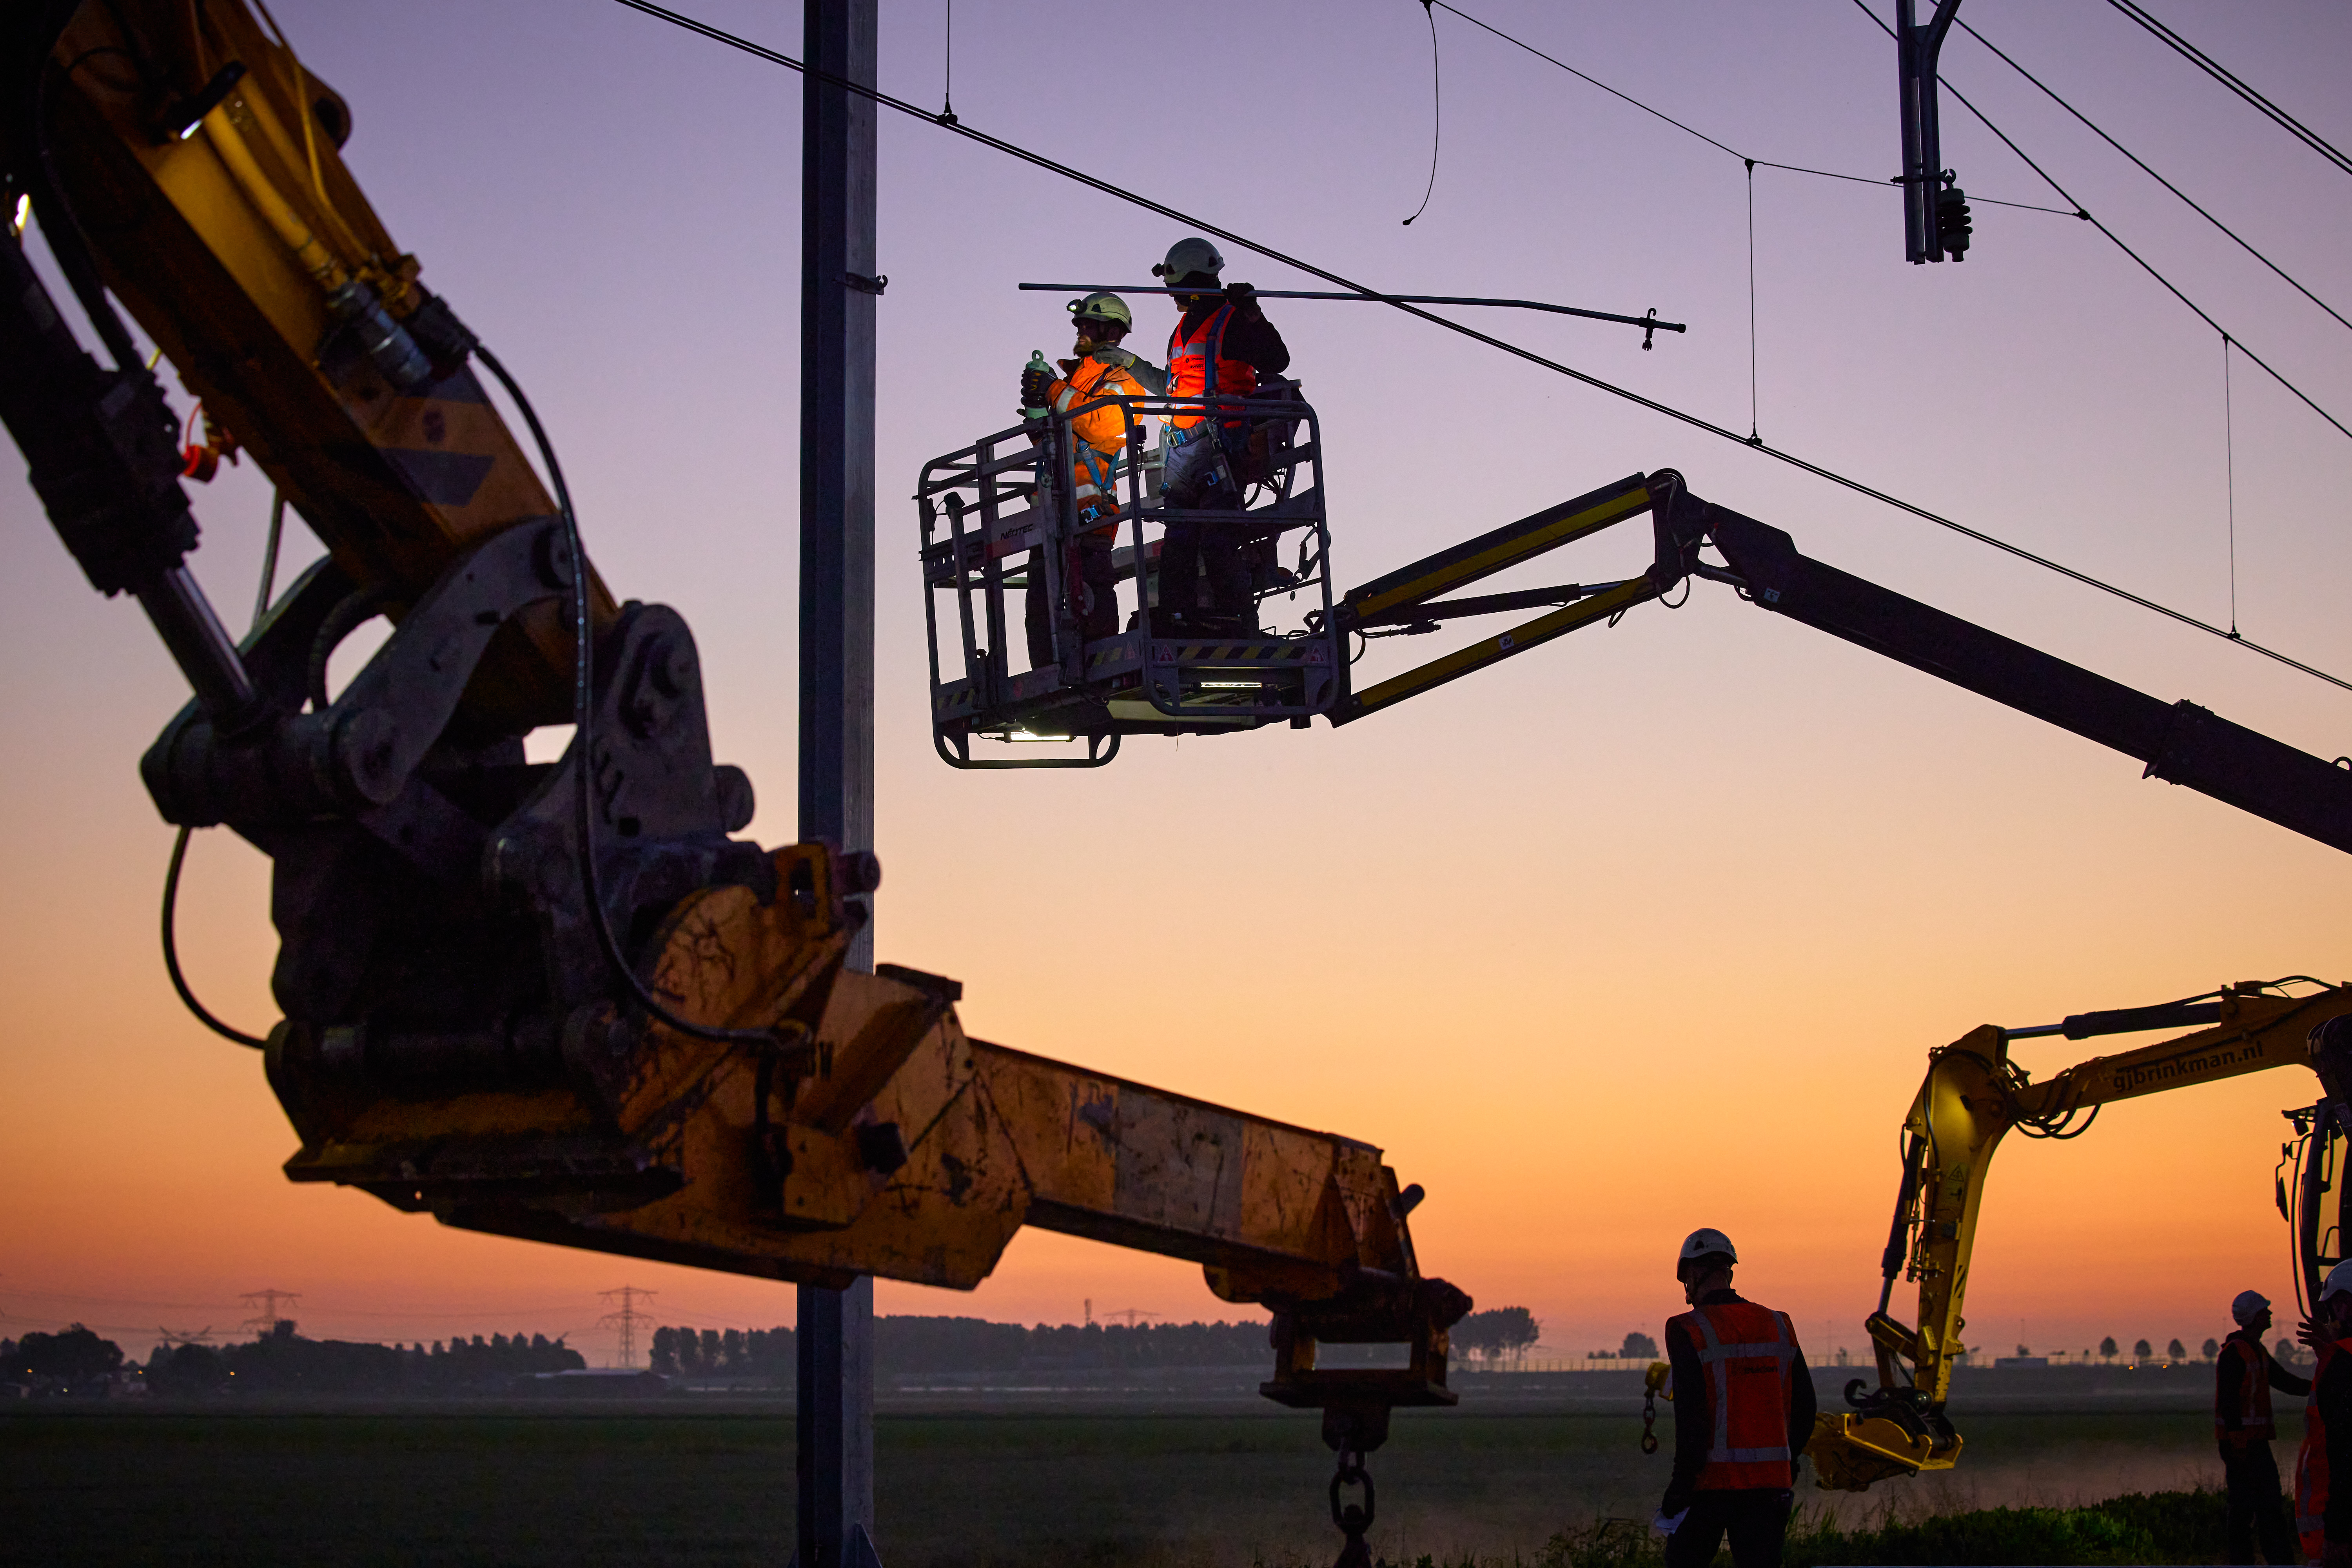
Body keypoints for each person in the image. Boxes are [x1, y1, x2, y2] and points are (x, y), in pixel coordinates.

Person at [1150, 235, 1289, 636]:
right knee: (1178, 541)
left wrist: (1252, 314)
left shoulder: (1231, 322)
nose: (1169, 293)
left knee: (1217, 537)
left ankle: (1237, 623)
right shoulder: (1180, 331)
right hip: (1181, 449)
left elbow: (1277, 359)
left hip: (1219, 447)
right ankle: (1180, 620)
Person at [1017, 291, 1164, 668]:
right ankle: (1047, 675)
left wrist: (1052, 390)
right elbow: (1058, 442)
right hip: (1051, 514)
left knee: (1094, 593)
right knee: (1041, 603)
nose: (1080, 330)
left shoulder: (1123, 379)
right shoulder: (1075, 380)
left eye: (1088, 325)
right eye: (1079, 325)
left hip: (1090, 514)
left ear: (1111, 331)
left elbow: (1102, 425)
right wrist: (1037, 415)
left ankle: (1101, 669)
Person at [1658, 1228, 1816, 1568]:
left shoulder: (1688, 1328)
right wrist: (1789, 1463)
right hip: (1771, 1488)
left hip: (1710, 1489)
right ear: (1728, 1271)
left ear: (1694, 1274)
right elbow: (1806, 1407)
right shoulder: (1779, 1324)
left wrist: (1679, 1489)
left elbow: (1692, 1419)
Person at [2217, 1289, 2307, 1564]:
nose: (2269, 1315)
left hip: (2252, 1443)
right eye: (2265, 1311)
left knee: (2267, 1507)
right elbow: (2229, 1402)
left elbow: (2285, 1382)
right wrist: (2238, 1442)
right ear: (2256, 1318)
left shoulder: (2256, 1351)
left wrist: (2319, 1385)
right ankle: (2249, 1561)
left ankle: (2276, 1560)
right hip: (2242, 1446)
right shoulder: (2236, 1353)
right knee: (2247, 1509)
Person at [2296, 1263, 2352, 1568]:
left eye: (2331, 1310)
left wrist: (2337, 1534)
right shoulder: (2341, 1360)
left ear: (2343, 1307)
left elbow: (2344, 1458)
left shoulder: (2341, 1368)